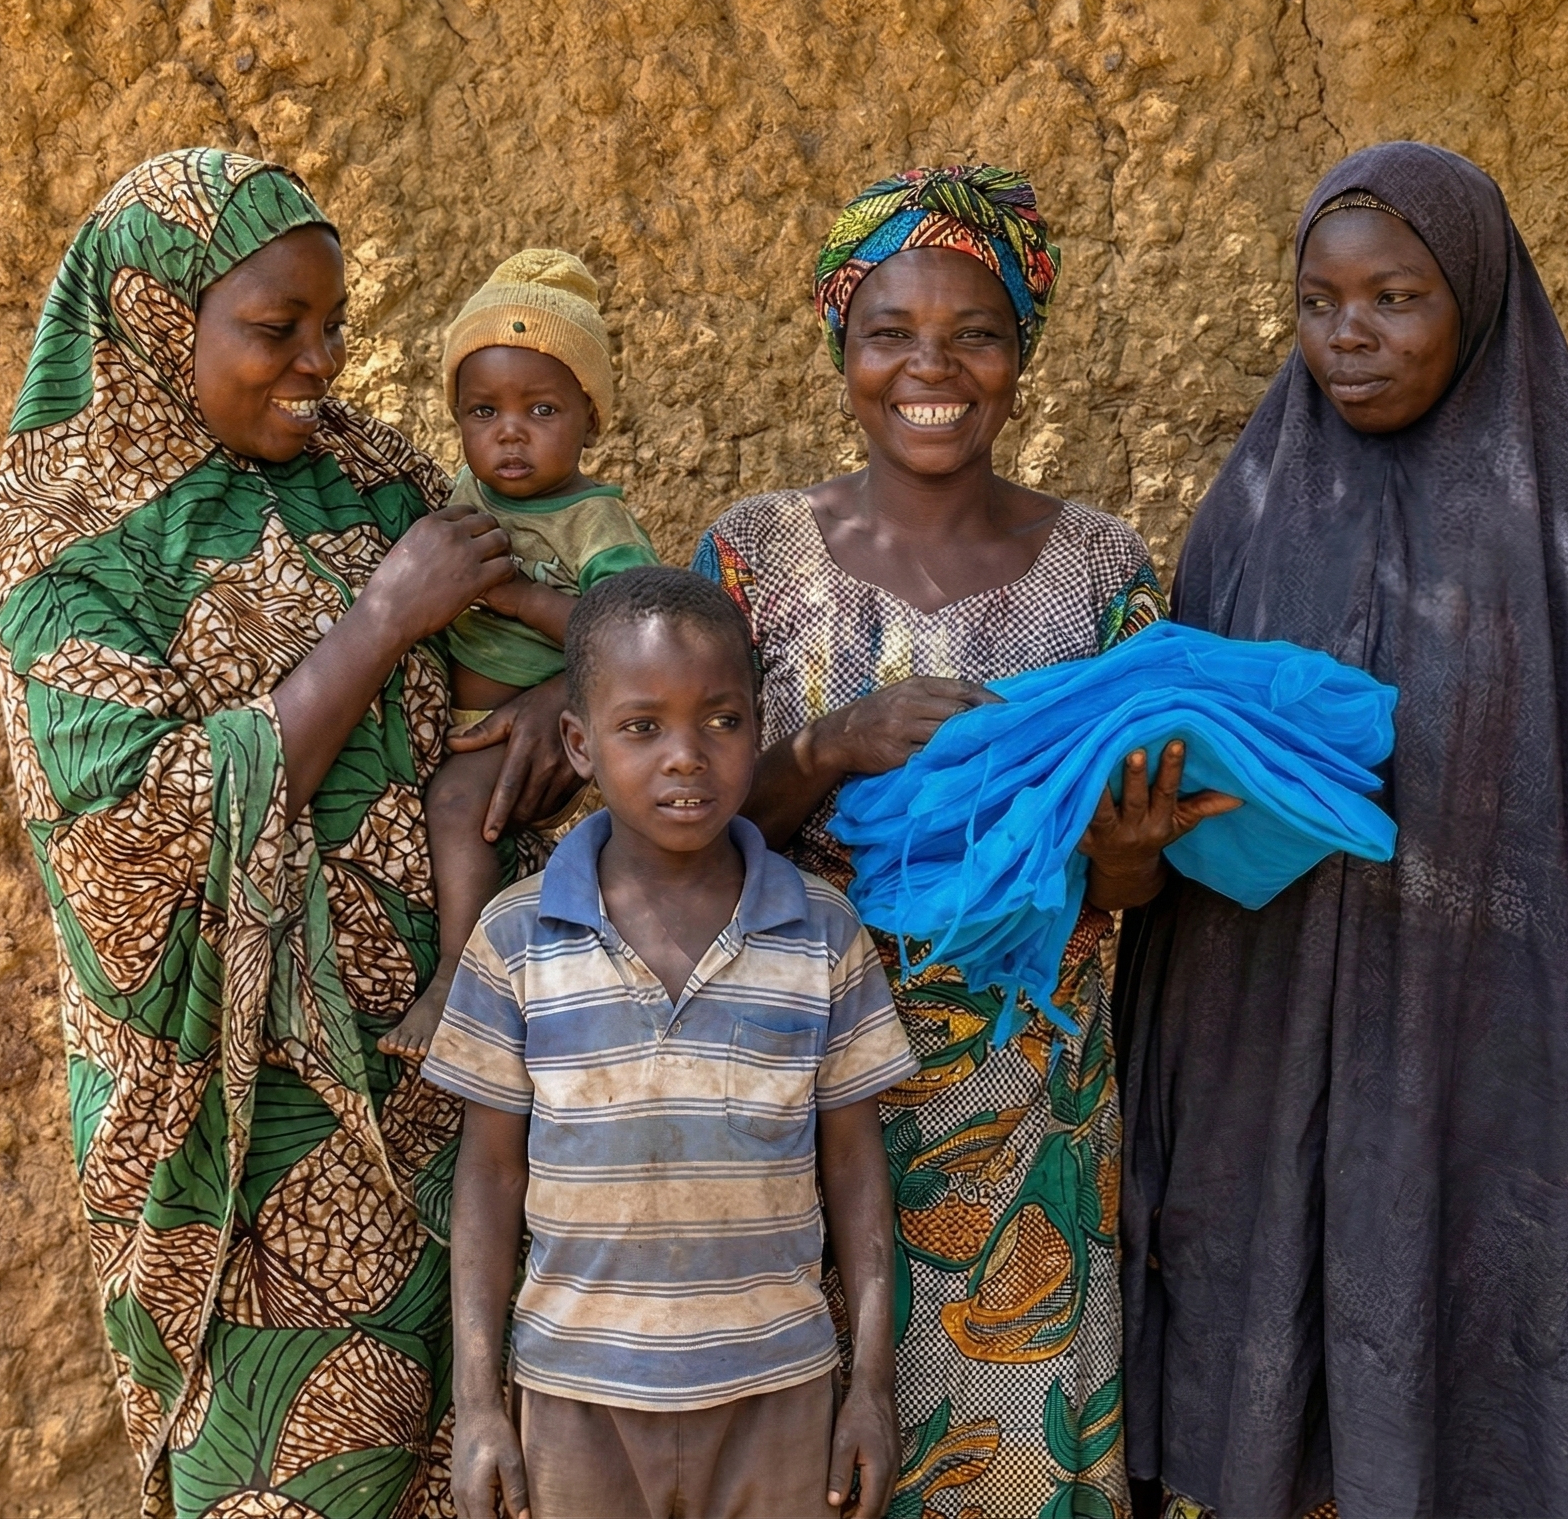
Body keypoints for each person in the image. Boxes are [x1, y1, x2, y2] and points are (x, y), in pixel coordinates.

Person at [1115, 143, 1568, 1517]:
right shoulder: (1250, 510)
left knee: (1459, 1356)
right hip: (1260, 1016)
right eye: (1321, 300)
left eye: (1397, 299)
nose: (1350, 336)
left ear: (1476, 301)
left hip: (1483, 1044)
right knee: (1273, 1384)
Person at [0, 149, 527, 1513]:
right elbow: (137, 815)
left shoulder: (372, 481)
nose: (318, 364)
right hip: (238, 1124)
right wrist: (380, 622)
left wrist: (555, 719)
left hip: (436, 1090)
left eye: (333, 327)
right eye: (275, 332)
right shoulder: (66, 541)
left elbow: (524, 628)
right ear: (160, 319)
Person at [693, 164, 1222, 1519]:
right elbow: (679, 835)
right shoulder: (752, 559)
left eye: (974, 332)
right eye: (891, 332)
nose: (931, 367)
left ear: (1023, 351)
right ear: (840, 346)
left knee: (1016, 1448)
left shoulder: (1104, 573)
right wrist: (829, 746)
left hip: (1026, 1120)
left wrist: (1126, 849)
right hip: (800, 1105)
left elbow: (1128, 889)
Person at [431, 567, 920, 1519]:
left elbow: (858, 1169)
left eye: (722, 721)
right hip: (575, 1403)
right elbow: (487, 1181)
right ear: (579, 741)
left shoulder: (820, 932)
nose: (686, 756)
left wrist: (869, 1389)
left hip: (780, 1397)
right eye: (642, 726)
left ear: (758, 722)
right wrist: (480, 1406)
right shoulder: (515, 938)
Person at [383, 248, 658, 1063]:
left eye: (540, 411)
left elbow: (630, 634)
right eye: (482, 412)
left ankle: (452, 984)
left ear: (590, 418)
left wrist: (517, 598)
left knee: (461, 809)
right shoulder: (460, 499)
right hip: (451, 720)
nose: (508, 433)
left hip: (520, 736)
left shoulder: (595, 524)